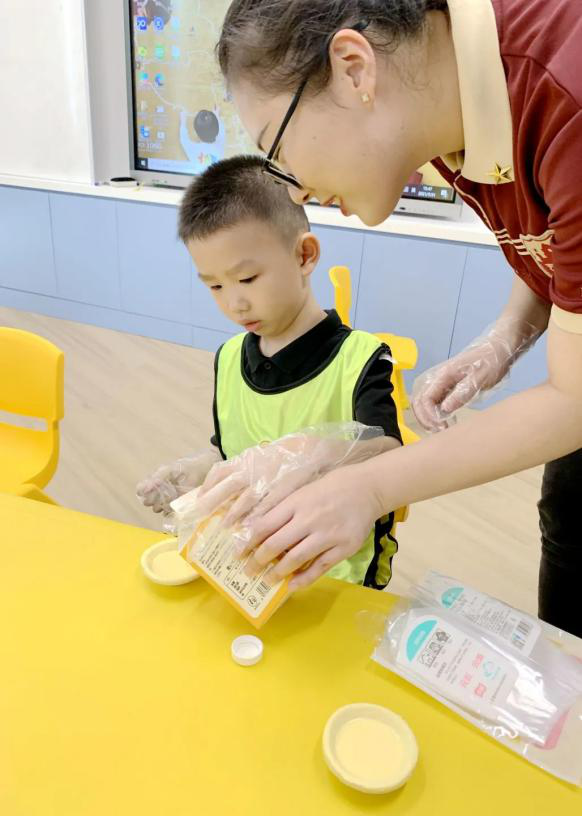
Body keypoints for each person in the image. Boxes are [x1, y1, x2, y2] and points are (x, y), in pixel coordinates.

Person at [196, 0, 582, 636]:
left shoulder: (565, 93)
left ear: (353, 69)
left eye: (278, 149)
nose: (294, 192)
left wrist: (371, 488)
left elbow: (575, 398)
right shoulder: (448, 108)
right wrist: (503, 339)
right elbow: (551, 240)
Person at [137, 154, 403, 589]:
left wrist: (311, 451)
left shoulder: (361, 359)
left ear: (303, 255)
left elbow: (388, 450)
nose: (233, 304)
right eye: (215, 286)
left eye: (247, 279)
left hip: (334, 574)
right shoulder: (227, 359)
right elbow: (233, 450)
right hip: (250, 568)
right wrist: (198, 472)